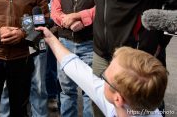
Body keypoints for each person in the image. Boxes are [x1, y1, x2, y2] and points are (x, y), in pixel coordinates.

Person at [36, 26, 168, 117]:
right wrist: (51, 39)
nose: (100, 78)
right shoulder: (129, 104)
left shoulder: (116, 104)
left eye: (104, 77)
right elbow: (78, 69)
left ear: (118, 99)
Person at [51, 0, 97, 117]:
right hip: (65, 44)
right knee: (66, 90)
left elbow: (101, 8)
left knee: (89, 92)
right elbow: (55, 10)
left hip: (89, 44)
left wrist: (81, 19)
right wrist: (67, 21)